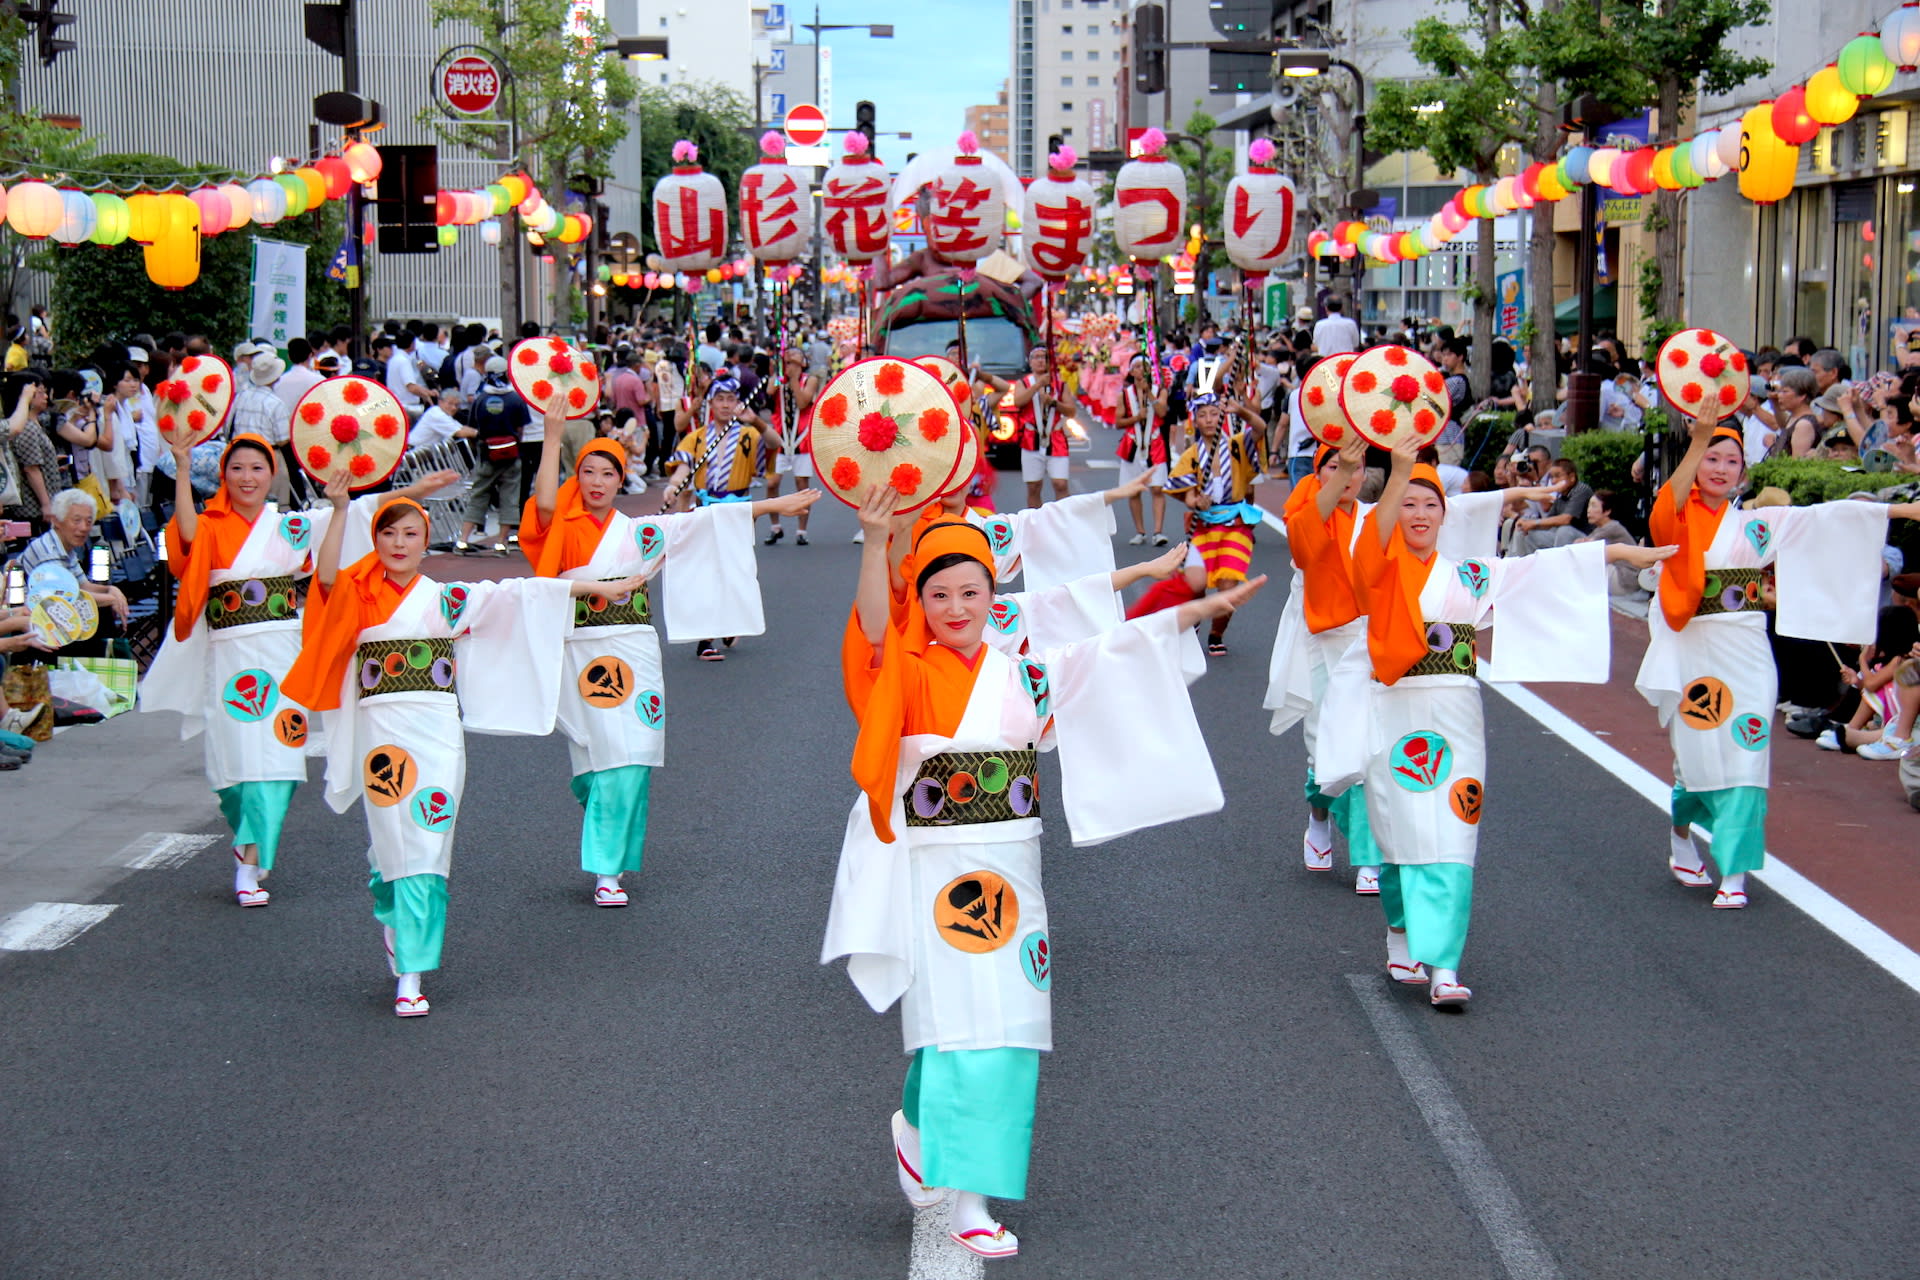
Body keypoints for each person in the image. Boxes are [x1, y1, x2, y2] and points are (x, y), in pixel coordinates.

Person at [822, 485, 1262, 1260]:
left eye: (971, 592)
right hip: (936, 871)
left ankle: (919, 1136)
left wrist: (1191, 609)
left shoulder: (1023, 671)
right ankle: (965, 1199)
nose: (955, 607)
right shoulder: (910, 670)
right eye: (938, 595)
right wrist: (873, 545)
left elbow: (1109, 659)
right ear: (917, 602)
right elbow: (873, 634)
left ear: (996, 596)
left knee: (1009, 1029)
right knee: (966, 1029)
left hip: (1013, 875)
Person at [1315, 442, 1673, 1005]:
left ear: (1444, 515)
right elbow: (1370, 541)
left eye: (1430, 505)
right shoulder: (1377, 567)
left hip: (1456, 711)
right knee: (1401, 831)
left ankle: (1445, 966)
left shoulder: (1471, 576)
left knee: (1454, 833)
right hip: (1395, 708)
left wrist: (1618, 558)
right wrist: (1401, 469)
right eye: (1406, 504)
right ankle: (1400, 931)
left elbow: (1538, 571)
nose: (1418, 514)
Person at [282, 480, 644, 1017]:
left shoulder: (444, 598)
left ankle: (412, 970)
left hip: (437, 732)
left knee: (428, 842)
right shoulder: (357, 595)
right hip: (381, 733)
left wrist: (593, 589)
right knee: (393, 843)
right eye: (389, 533)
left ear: (425, 542)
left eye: (411, 534)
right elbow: (327, 578)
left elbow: (517, 594)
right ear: (375, 540)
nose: (400, 543)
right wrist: (340, 511)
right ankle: (395, 911)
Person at [522, 406, 819, 905]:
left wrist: (772, 507)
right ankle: (603, 816)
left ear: (622, 480)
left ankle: (607, 871)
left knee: (632, 756)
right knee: (595, 767)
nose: (597, 482)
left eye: (608, 473)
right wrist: (553, 438)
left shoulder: (638, 532)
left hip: (633, 650)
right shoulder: (562, 526)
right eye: (588, 472)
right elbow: (544, 504)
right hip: (578, 650)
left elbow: (703, 523)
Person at [1636, 411, 1920, 907]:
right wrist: (1699, 435)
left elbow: (1827, 518)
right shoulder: (1677, 516)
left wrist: (1902, 514)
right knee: (1695, 759)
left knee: (1747, 756)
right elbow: (1664, 510)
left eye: (1732, 461)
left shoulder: (1758, 525)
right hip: (1691, 649)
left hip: (1746, 651)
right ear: (1695, 463)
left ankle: (1736, 872)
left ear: (1744, 473)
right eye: (1712, 458)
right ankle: (1682, 836)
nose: (1721, 468)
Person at [1137, 371, 1265, 655]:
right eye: (1203, 415)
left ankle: (1216, 633)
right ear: (1196, 419)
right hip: (1204, 526)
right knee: (1195, 584)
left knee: (1229, 584)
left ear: (1222, 417)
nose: (1209, 419)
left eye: (1214, 414)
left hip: (1235, 523)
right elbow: (1183, 489)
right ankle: (1195, 613)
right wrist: (1195, 500)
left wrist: (1240, 409)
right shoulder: (1191, 454)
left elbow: (1260, 428)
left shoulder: (1237, 445)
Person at [458, 357, 529, 555]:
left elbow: (474, 427)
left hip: (486, 453)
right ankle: (501, 543)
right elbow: (521, 428)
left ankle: (462, 541)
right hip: (511, 454)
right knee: (510, 497)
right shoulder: (515, 399)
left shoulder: (480, 399)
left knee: (479, 494)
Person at [761, 347, 821, 546]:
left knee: (802, 486)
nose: (791, 364)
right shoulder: (779, 379)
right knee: (772, 483)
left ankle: (801, 530)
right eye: (788, 361)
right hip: (780, 440)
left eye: (795, 360)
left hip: (800, 441)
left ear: (803, 363)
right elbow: (769, 391)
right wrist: (778, 374)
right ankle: (775, 527)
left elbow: (804, 402)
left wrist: (794, 379)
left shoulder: (810, 380)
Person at [1113, 356, 1170, 545]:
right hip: (1132, 445)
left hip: (1155, 444)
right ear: (1131, 371)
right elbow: (1118, 421)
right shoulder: (1124, 394)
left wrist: (1149, 395)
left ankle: (1158, 531)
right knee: (1134, 490)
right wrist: (1137, 417)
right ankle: (1140, 531)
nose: (1140, 370)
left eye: (1144, 366)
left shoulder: (1159, 391)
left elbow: (1162, 412)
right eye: (1136, 367)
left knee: (1157, 488)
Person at [1008, 347, 1070, 508]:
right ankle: (1036, 523)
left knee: (1060, 484)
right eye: (1036, 357)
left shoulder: (1060, 384)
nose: (1040, 360)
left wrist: (1054, 402)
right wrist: (1037, 386)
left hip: (1055, 437)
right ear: (1030, 361)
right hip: (1031, 438)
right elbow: (1018, 402)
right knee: (1034, 487)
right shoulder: (1023, 383)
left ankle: (1064, 523)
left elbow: (1072, 410)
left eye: (1044, 357)